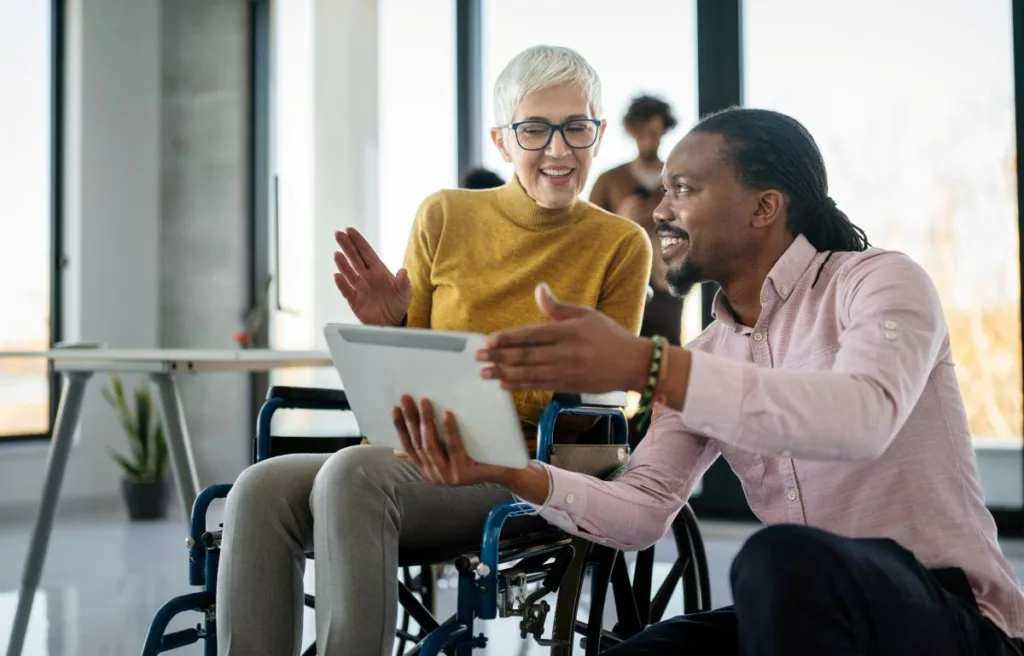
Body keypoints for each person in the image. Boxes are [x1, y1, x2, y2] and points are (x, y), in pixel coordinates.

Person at [392, 108, 1024, 654]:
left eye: (685, 189)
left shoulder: (878, 281)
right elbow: (642, 512)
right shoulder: (707, 353)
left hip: (954, 616)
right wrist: (507, 470)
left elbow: (862, 418)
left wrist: (648, 366)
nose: (661, 211)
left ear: (765, 207)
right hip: (800, 613)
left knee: (779, 560)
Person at [215, 45, 651, 655]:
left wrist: (546, 372)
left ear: (598, 134)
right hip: (415, 454)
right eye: (535, 129)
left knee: (353, 472)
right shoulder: (444, 215)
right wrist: (391, 323)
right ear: (502, 141)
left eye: (577, 128)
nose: (558, 150)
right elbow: (412, 364)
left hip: (521, 469)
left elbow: (611, 399)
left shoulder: (621, 245)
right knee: (258, 487)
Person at [590, 94, 681, 345]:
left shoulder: (678, 179)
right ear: (631, 132)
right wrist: (622, 219)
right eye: (641, 133)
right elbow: (587, 236)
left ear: (665, 129)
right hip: (621, 285)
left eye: (654, 132)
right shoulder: (609, 180)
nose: (648, 140)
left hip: (667, 283)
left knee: (668, 362)